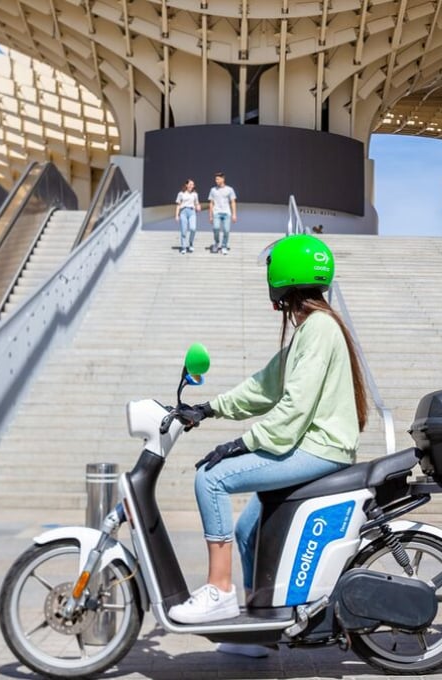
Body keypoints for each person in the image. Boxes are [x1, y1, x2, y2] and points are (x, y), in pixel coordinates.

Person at [166, 234, 367, 649]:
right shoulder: (312, 330)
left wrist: (239, 444)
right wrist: (208, 409)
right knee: (245, 530)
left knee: (211, 478)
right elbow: (263, 386)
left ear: (283, 276)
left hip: (319, 449)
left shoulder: (320, 329)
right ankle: (258, 631)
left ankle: (219, 591)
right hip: (313, 446)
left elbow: (294, 409)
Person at [208, 172, 237, 255]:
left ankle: (224, 246)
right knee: (216, 228)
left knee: (226, 230)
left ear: (223, 179)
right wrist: (210, 215)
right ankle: (216, 243)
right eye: (215, 179)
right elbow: (211, 203)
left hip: (226, 213)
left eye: (217, 179)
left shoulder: (230, 189)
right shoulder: (213, 190)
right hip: (216, 212)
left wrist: (234, 214)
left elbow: (233, 202)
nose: (216, 180)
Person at [175, 179, 201, 254]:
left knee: (193, 228)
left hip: (192, 211)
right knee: (184, 230)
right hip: (183, 211)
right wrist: (177, 215)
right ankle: (183, 247)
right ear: (186, 185)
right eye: (190, 184)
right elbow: (178, 205)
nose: (191, 186)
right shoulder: (181, 193)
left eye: (192, 184)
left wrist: (198, 206)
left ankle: (191, 242)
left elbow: (197, 203)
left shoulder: (195, 194)